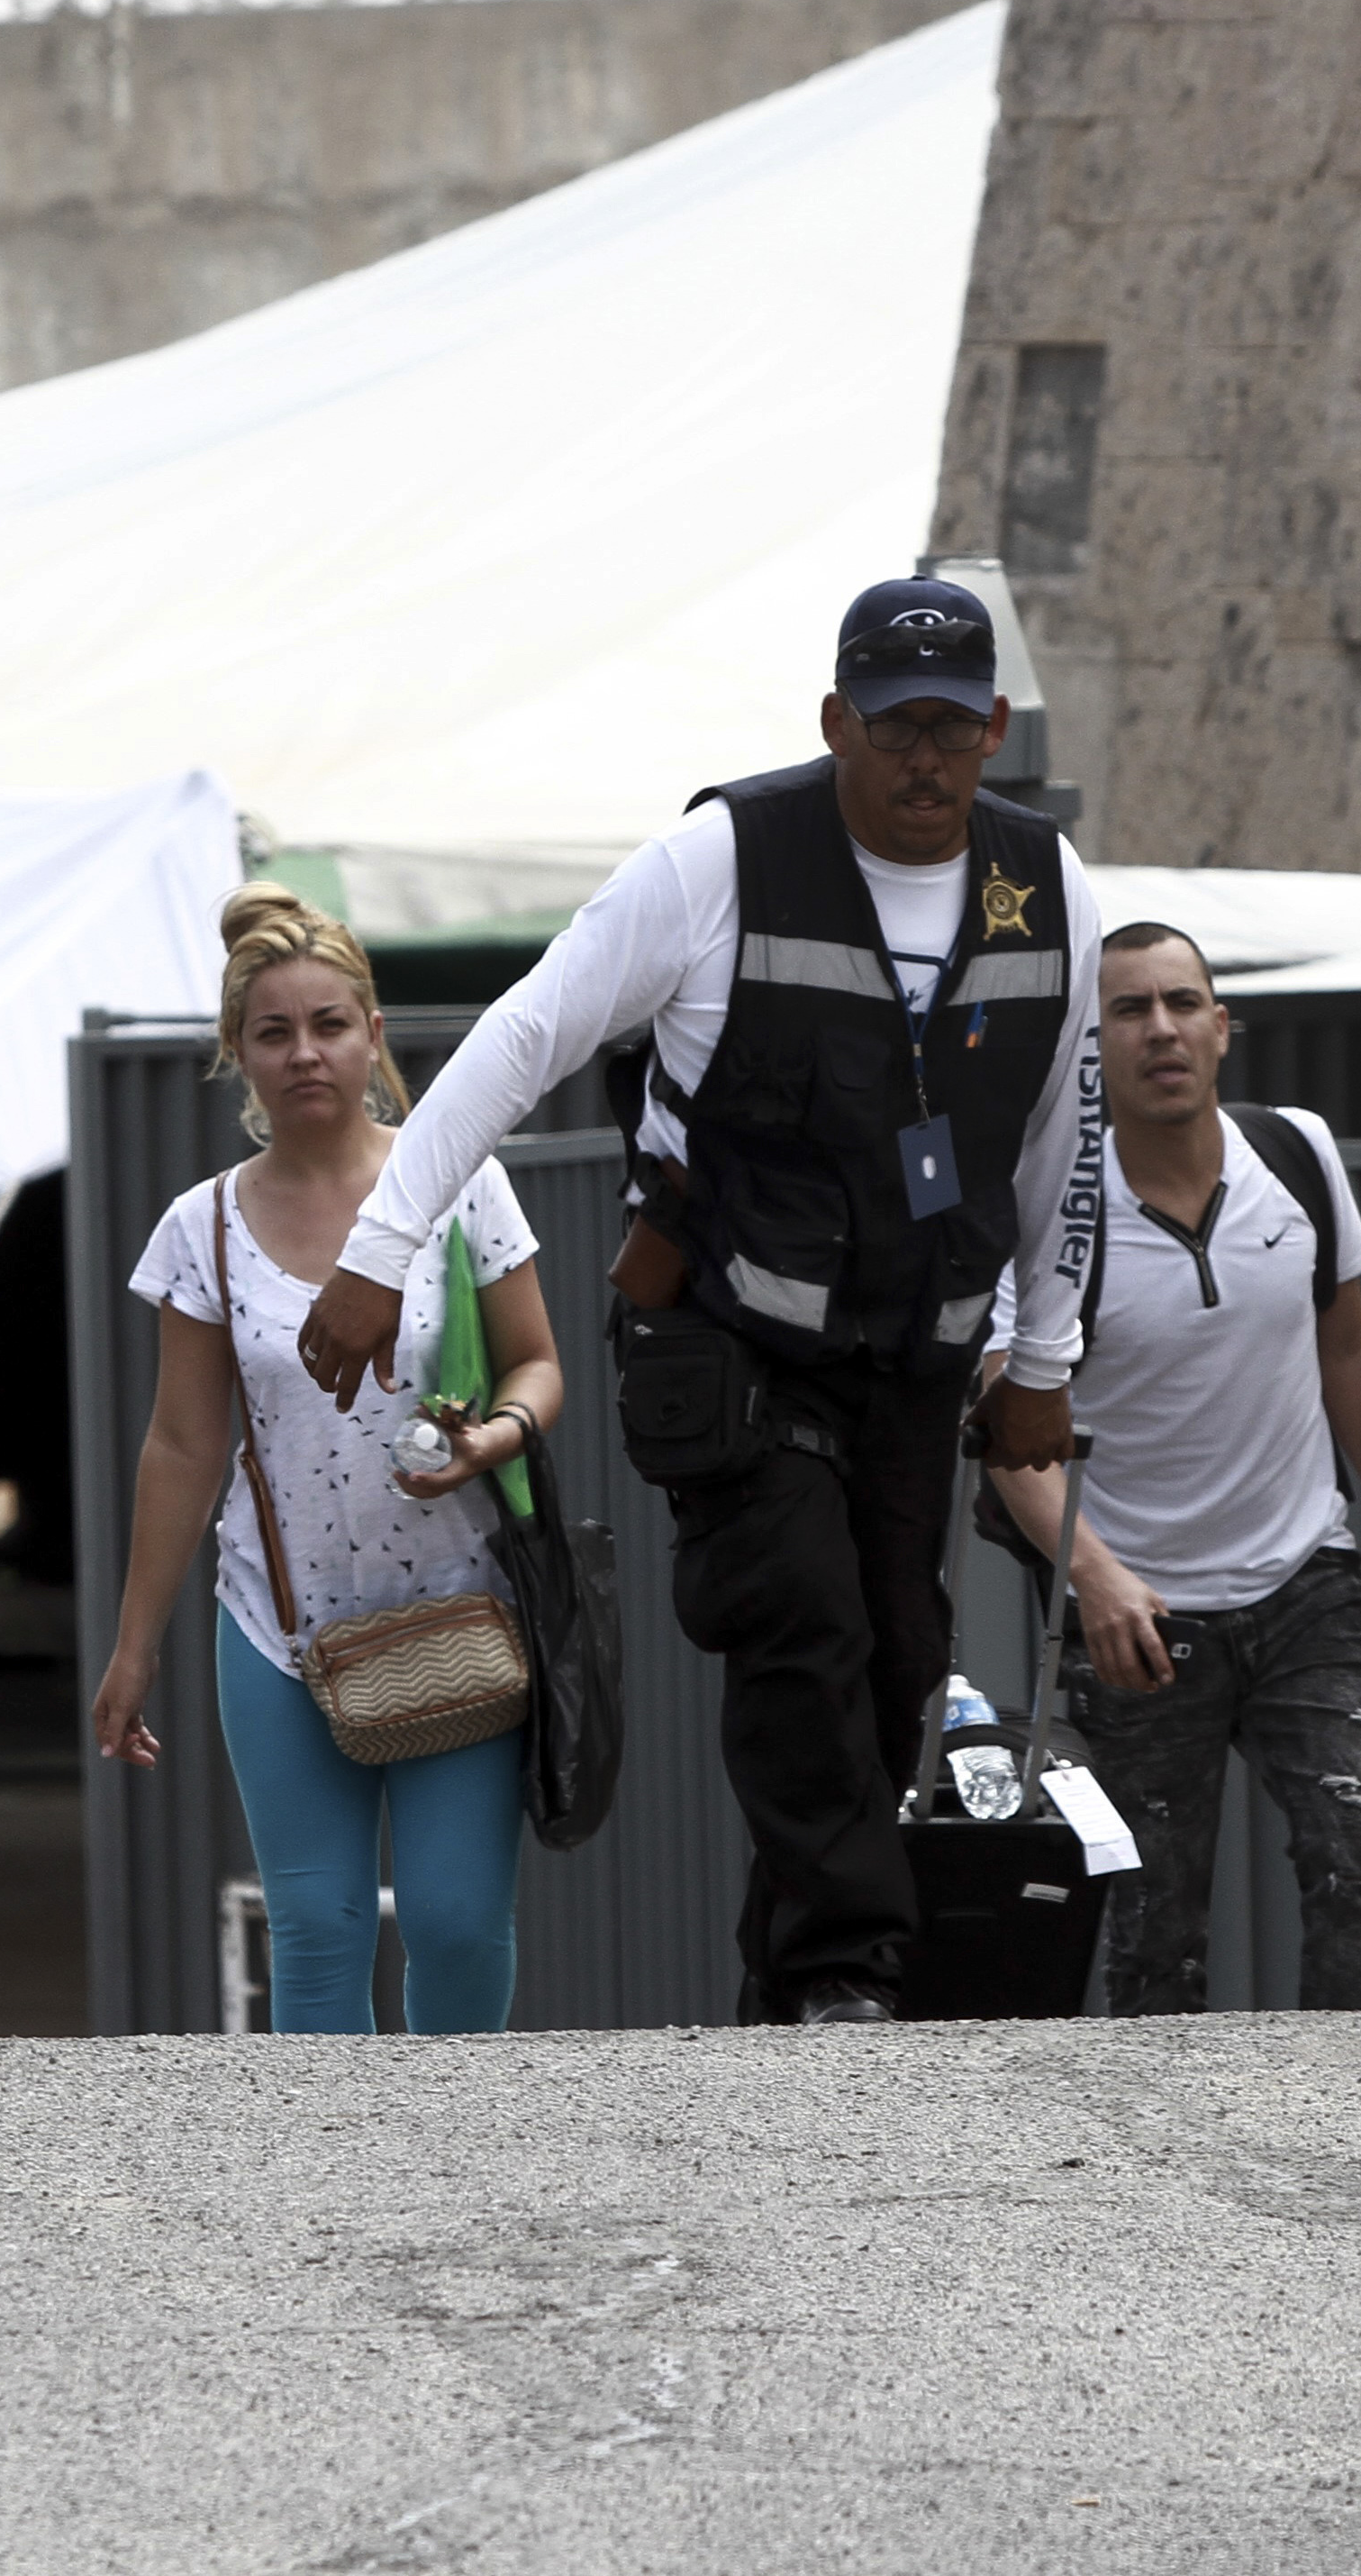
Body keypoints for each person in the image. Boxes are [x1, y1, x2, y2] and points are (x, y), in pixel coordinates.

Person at [301, 575, 1100, 2027]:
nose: (923, 757)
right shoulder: (720, 860)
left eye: (950, 726)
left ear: (993, 727)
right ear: (832, 721)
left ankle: (784, 1982)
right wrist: (378, 1245)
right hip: (732, 1330)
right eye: (891, 723)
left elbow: (1057, 1136)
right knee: (798, 1618)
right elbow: (523, 1033)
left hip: (917, 1351)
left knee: (899, 1653)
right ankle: (848, 1968)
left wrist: (1042, 1351)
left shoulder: (1049, 889)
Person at [89, 885, 563, 2034]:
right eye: (274, 1032)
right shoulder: (199, 1228)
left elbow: (539, 1365)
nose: (306, 1054)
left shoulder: (459, 1186)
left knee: (456, 1923)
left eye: (331, 1025)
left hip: (463, 1611)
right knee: (317, 1931)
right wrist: (134, 1645)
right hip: (279, 1624)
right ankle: (327, 2204)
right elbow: (184, 1442)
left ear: (374, 1037)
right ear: (237, 1057)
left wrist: (496, 1436)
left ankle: (461, 2176)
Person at [983, 923, 1361, 2013]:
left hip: (1305, 1581)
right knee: (1154, 1926)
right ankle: (1175, 2170)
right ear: (1088, 1049)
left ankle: (1354, 2127)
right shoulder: (1050, 1211)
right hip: (1140, 1615)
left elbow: (1352, 1350)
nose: (1162, 1030)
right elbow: (1009, 1434)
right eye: (1130, 1010)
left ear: (1222, 1027)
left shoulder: (1297, 1153)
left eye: (1183, 1003)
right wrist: (1095, 1578)